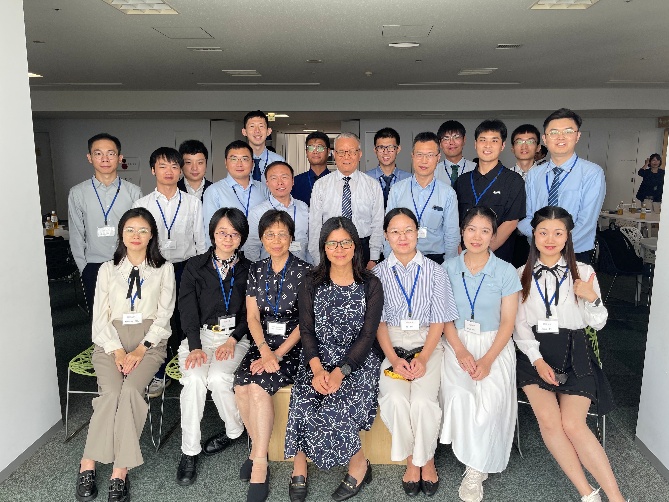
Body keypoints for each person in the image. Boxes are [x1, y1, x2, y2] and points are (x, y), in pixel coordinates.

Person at [514, 206, 626, 502]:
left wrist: (593, 299)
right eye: (543, 232)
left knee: (573, 424)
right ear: (533, 235)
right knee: (550, 421)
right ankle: (588, 494)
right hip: (534, 354)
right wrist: (537, 361)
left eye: (558, 233)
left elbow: (597, 323)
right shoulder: (520, 274)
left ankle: (617, 497)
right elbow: (519, 325)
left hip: (575, 351)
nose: (550, 239)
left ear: (567, 237)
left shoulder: (584, 272)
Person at [75, 207, 175, 502]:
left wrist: (141, 349)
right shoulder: (107, 269)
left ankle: (119, 471)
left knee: (131, 391)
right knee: (111, 393)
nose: (136, 235)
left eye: (143, 230)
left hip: (150, 342)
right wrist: (118, 351)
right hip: (110, 340)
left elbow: (164, 315)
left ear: (152, 235)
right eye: (130, 229)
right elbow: (99, 317)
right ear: (121, 233)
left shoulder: (164, 269)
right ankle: (88, 462)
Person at [285, 216, 384, 502]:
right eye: (332, 244)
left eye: (345, 243)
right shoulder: (311, 281)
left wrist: (342, 371)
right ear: (323, 247)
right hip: (317, 356)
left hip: (358, 361)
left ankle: (359, 464)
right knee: (303, 400)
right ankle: (299, 465)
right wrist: (317, 368)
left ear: (355, 246)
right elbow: (306, 329)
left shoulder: (370, 284)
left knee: (336, 407)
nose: (339, 249)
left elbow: (368, 335)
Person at [373, 208, 457, 497]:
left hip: (428, 342)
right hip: (392, 344)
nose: (402, 237)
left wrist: (423, 357)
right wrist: (394, 359)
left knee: (422, 402)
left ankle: (427, 459)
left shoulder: (435, 271)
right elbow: (379, 324)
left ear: (418, 233)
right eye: (395, 231)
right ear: (386, 236)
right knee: (395, 399)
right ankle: (412, 459)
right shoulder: (378, 274)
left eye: (408, 230)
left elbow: (439, 320)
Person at [440, 206, 520, 502]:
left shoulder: (505, 271)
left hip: (494, 345)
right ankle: (473, 458)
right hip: (456, 341)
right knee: (460, 396)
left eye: (485, 231)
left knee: (489, 404)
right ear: (462, 232)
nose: (477, 236)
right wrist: (460, 350)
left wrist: (487, 360)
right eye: (471, 229)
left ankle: (475, 470)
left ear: (493, 236)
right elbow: (443, 316)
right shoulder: (447, 268)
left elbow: (508, 322)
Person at [234, 210, 310, 502]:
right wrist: (265, 350)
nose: (276, 240)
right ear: (261, 238)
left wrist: (277, 353)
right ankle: (258, 450)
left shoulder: (305, 271)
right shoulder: (256, 269)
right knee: (240, 385)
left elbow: (305, 323)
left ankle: (259, 465)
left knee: (257, 387)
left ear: (291, 237)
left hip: (292, 347)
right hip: (262, 344)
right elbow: (252, 317)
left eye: (282, 234)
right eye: (270, 235)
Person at [175, 207, 252, 486]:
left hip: (235, 338)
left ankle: (234, 430)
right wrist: (195, 346)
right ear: (212, 234)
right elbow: (187, 309)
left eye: (234, 234)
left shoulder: (249, 269)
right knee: (194, 380)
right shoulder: (195, 266)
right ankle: (189, 451)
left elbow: (251, 314)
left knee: (219, 378)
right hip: (200, 336)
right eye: (222, 232)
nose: (228, 238)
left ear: (242, 237)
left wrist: (232, 340)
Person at [133, 146, 206, 397]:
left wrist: (200, 274)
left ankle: (188, 368)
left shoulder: (192, 203)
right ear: (153, 170)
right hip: (155, 268)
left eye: (175, 166)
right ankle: (159, 372)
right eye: (163, 166)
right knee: (159, 321)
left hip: (187, 267)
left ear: (180, 171)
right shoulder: (141, 204)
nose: (169, 171)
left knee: (187, 318)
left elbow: (201, 242)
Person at [519, 108, 605, 265]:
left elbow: (586, 223)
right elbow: (527, 216)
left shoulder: (592, 173)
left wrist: (554, 245)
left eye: (568, 131)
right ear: (545, 138)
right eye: (553, 132)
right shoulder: (534, 174)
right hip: (537, 252)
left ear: (577, 136)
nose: (560, 137)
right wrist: (543, 241)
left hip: (575, 253)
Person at [68, 133, 142, 312]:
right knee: (99, 317)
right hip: (94, 266)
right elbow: (76, 234)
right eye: (98, 153)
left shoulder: (134, 192)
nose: (105, 159)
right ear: (89, 158)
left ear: (119, 158)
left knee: (130, 314)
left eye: (111, 153)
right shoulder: (77, 193)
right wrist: (84, 268)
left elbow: (140, 232)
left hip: (127, 263)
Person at [453, 120, 526, 264]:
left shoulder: (513, 181)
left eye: (494, 140)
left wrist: (481, 253)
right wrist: (462, 250)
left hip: (498, 260)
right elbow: (455, 220)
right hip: (464, 259)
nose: (488, 145)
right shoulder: (462, 181)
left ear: (503, 145)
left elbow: (510, 223)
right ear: (475, 144)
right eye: (483, 140)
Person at [309, 132, 384, 268]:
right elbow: (315, 225)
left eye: (352, 152)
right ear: (334, 154)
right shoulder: (321, 185)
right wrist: (319, 260)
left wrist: (374, 258)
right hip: (331, 247)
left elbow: (378, 223)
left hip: (363, 248)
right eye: (341, 152)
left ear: (360, 154)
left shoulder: (373, 185)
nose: (346, 156)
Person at [385, 132, 459, 264]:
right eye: (419, 154)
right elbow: (388, 228)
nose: (424, 161)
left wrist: (449, 266)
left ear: (438, 158)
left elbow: (451, 235)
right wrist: (388, 261)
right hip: (402, 257)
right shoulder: (397, 190)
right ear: (412, 156)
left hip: (435, 259)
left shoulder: (448, 193)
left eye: (430, 155)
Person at [202, 140, 267, 249]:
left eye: (244, 159)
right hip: (229, 253)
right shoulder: (214, 191)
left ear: (252, 163)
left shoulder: (264, 189)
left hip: (260, 253)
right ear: (225, 163)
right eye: (233, 159)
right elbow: (210, 231)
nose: (239, 164)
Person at [246, 161, 311, 263]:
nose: (280, 182)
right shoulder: (257, 213)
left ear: (293, 181)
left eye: (284, 177)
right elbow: (251, 249)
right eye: (274, 178)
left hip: (301, 269)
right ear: (267, 183)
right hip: (269, 270)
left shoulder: (303, 207)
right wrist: (259, 271)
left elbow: (310, 244)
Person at [509, 124, 542, 267]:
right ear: (512, 148)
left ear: (538, 147)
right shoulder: (503, 177)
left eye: (530, 141)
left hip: (538, 239)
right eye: (519, 141)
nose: (524, 146)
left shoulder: (547, 177)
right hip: (509, 238)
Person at [365, 127, 411, 208]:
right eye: (381, 147)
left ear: (398, 149)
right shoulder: (365, 179)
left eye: (390, 147)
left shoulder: (409, 179)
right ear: (375, 150)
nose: (385, 152)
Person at [242, 110, 285, 184]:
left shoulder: (278, 160)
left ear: (268, 131)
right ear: (244, 132)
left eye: (261, 126)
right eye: (252, 126)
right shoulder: (238, 161)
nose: (257, 131)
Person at [292, 131, 332, 206]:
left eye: (320, 148)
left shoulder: (337, 181)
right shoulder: (295, 182)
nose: (315, 152)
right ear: (306, 152)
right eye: (311, 148)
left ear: (328, 151)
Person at [435, 120, 475, 188]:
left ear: (464, 140)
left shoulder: (476, 169)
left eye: (456, 137)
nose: (451, 142)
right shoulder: (434, 172)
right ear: (440, 144)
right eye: (446, 138)